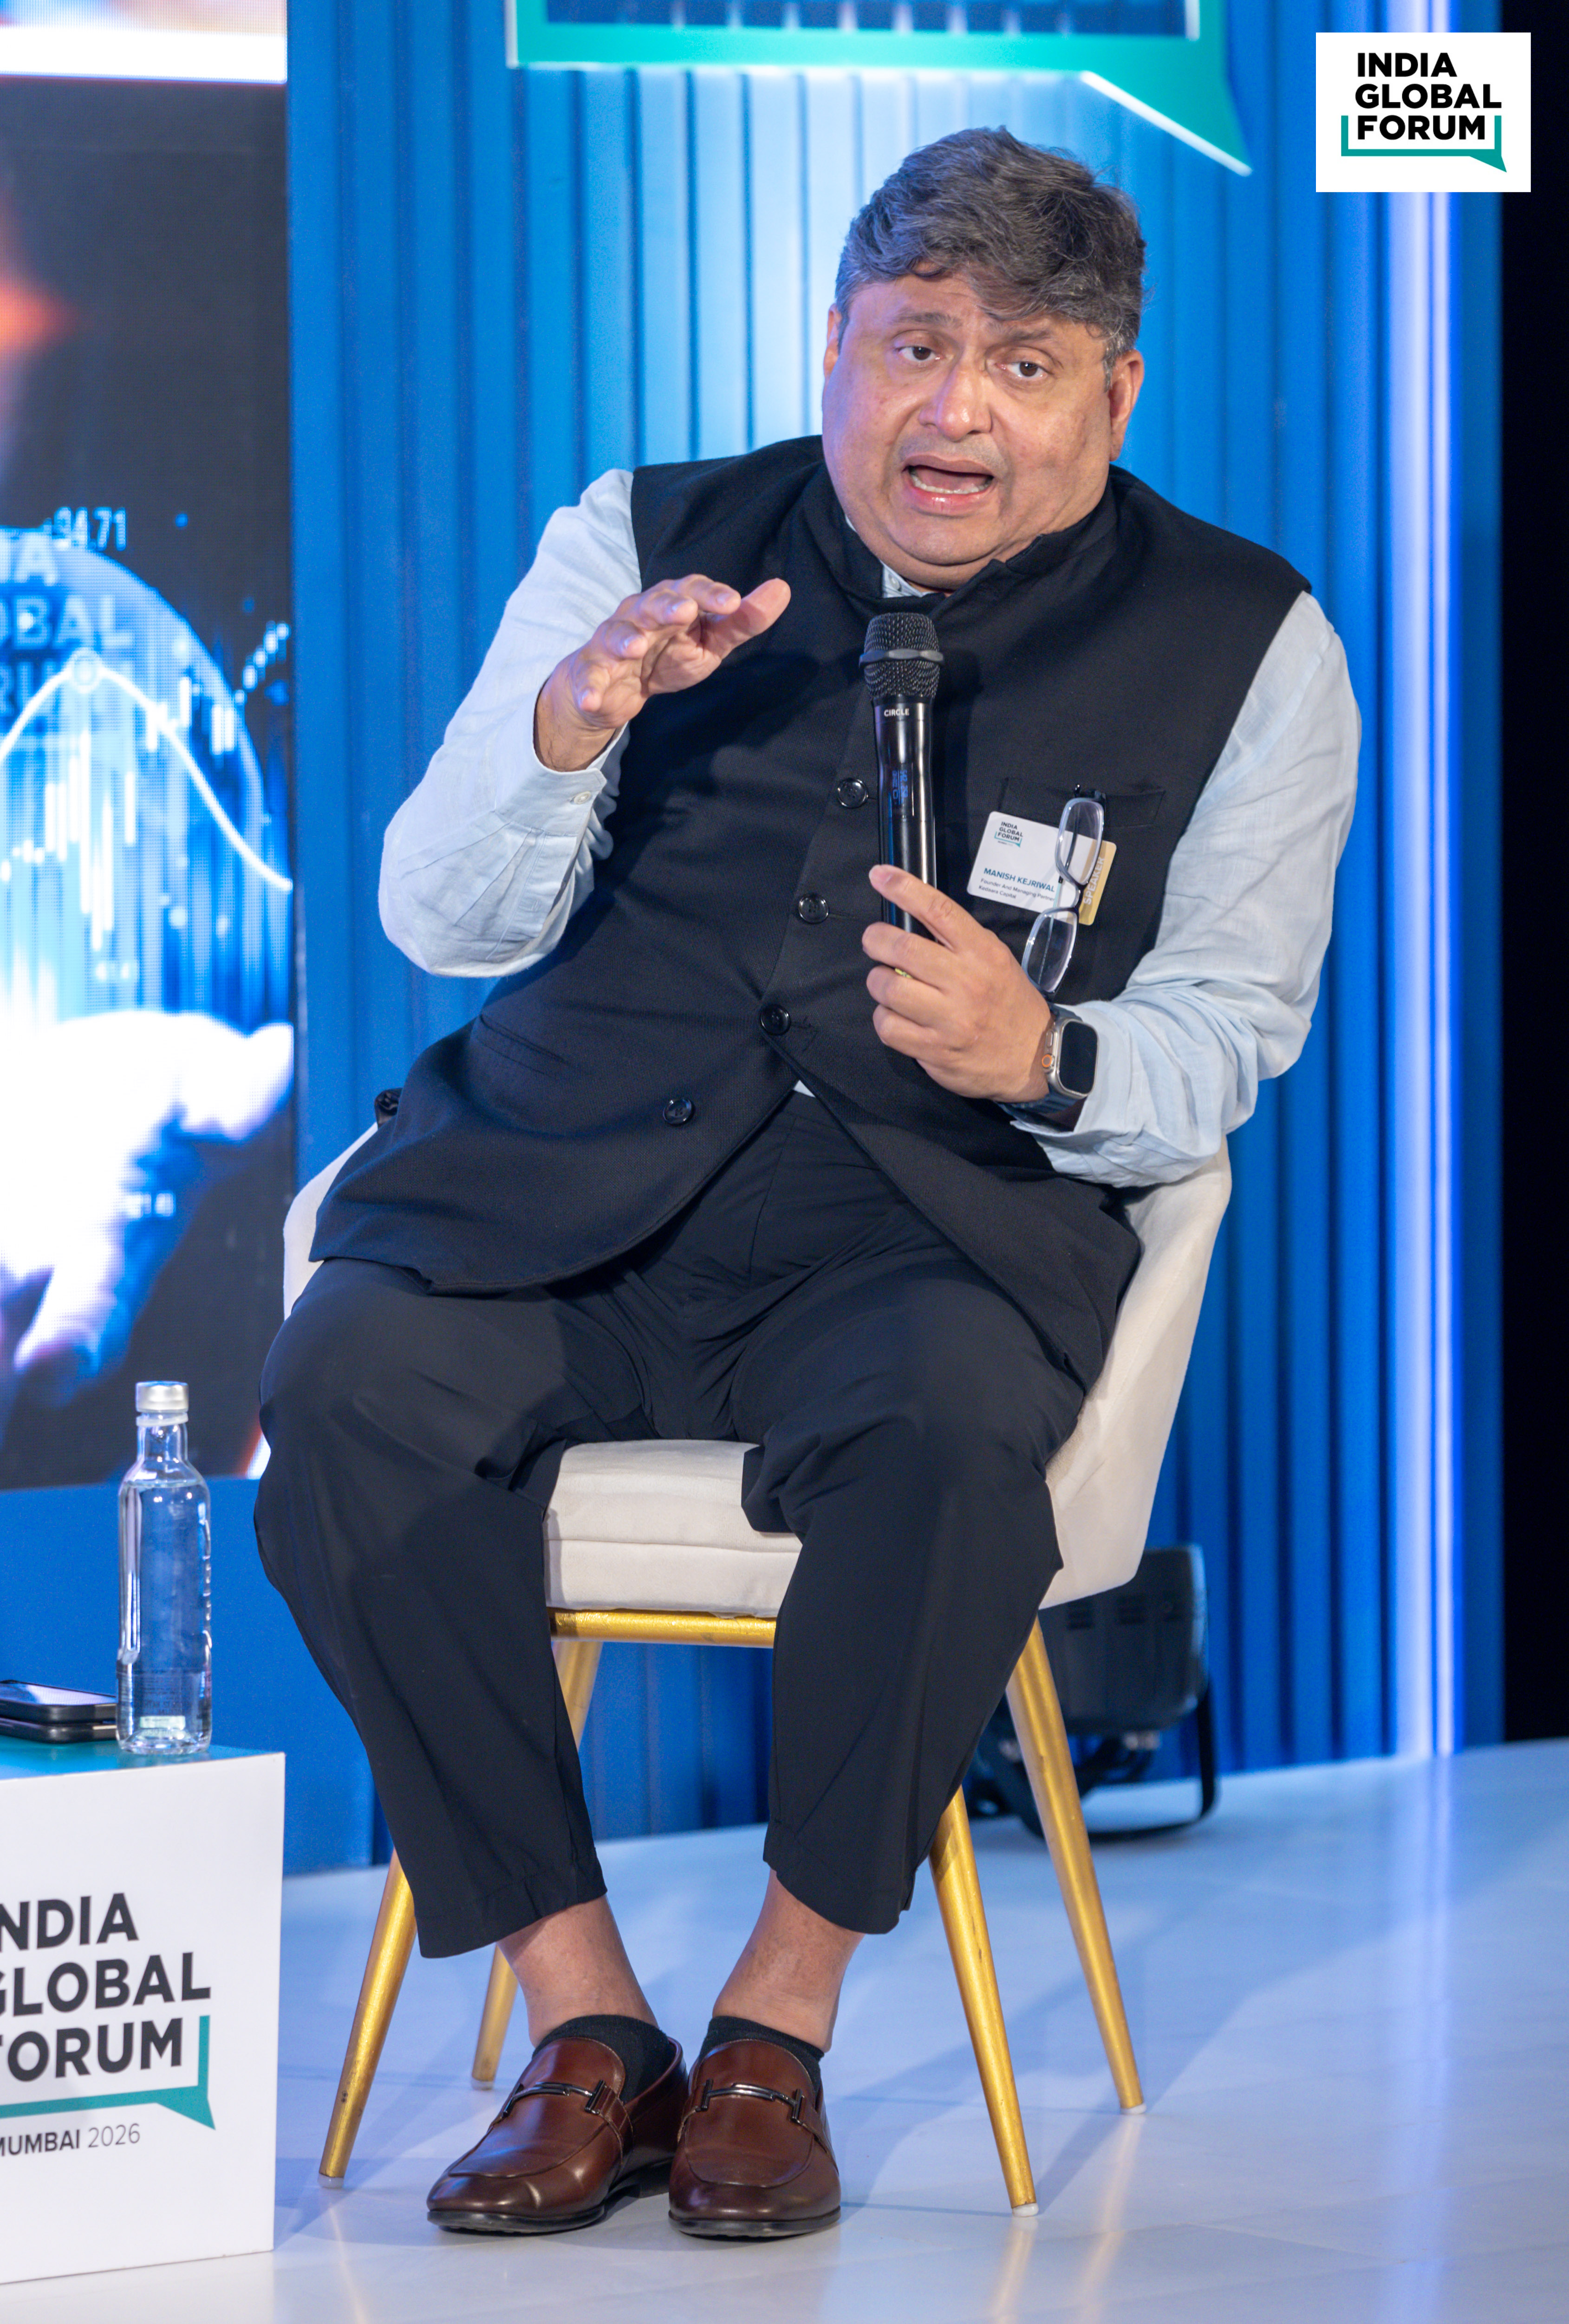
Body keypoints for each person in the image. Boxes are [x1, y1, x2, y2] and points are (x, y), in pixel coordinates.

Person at [255, 129, 1357, 2241]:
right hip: (558, 1201)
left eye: (1023, 363)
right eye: (913, 345)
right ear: (832, 348)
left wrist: (1042, 1054)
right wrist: (572, 718)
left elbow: (1232, 1020)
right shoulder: (640, 536)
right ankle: (585, 2024)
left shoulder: (1249, 639)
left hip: (915, 1236)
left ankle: (773, 2026)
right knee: (350, 1391)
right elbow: (437, 917)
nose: (957, 410)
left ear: (1113, 394)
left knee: (947, 1440)